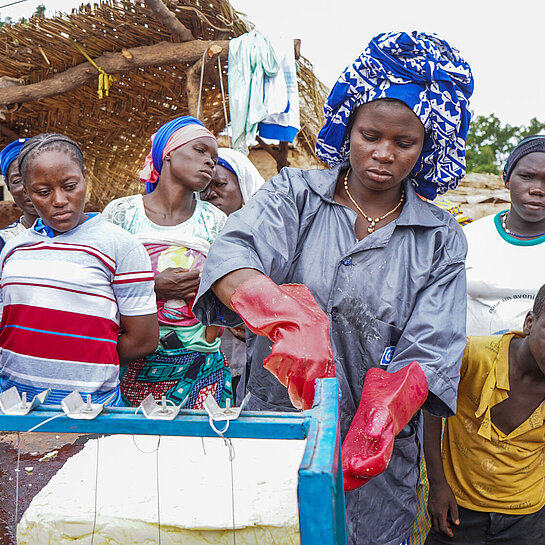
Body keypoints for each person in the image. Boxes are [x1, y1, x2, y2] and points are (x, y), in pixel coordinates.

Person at [193, 31, 474, 545]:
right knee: (274, 528)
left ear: (427, 146)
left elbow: (432, 347)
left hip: (379, 453)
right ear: (348, 128)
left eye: (404, 142)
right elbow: (233, 255)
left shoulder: (439, 237)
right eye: (371, 135)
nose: (384, 153)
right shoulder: (294, 195)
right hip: (281, 423)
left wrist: (386, 410)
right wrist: (283, 315)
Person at [0, 133, 159, 405]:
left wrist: (87, 362)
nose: (59, 200)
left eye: (70, 185)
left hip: (91, 405)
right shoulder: (14, 249)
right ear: (26, 192)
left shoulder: (119, 245)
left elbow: (144, 339)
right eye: (43, 191)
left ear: (86, 178)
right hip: (15, 401)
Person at [102, 116, 233, 409]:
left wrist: (207, 289)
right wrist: (153, 288)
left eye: (214, 158)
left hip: (200, 365)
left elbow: (229, 296)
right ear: (168, 152)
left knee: (200, 450)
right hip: (131, 361)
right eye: (200, 151)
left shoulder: (215, 222)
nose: (210, 162)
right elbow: (97, 287)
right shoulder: (123, 214)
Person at [423, 284, 545, 545]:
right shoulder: (473, 356)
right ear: (530, 323)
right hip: (458, 510)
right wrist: (437, 484)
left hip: (526, 519)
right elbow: (432, 402)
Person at [465, 135, 545, 335]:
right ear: (507, 178)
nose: (537, 190)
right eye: (526, 176)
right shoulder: (469, 237)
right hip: (470, 364)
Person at [200, 147, 265, 392]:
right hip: (202, 358)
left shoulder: (266, 236)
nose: (211, 194)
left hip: (248, 354)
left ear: (244, 187)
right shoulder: (195, 235)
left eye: (220, 184)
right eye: (204, 187)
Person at [0, 138, 40, 249]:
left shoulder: (85, 233)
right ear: (9, 187)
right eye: (18, 181)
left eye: (37, 176)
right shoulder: (5, 241)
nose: (28, 187)